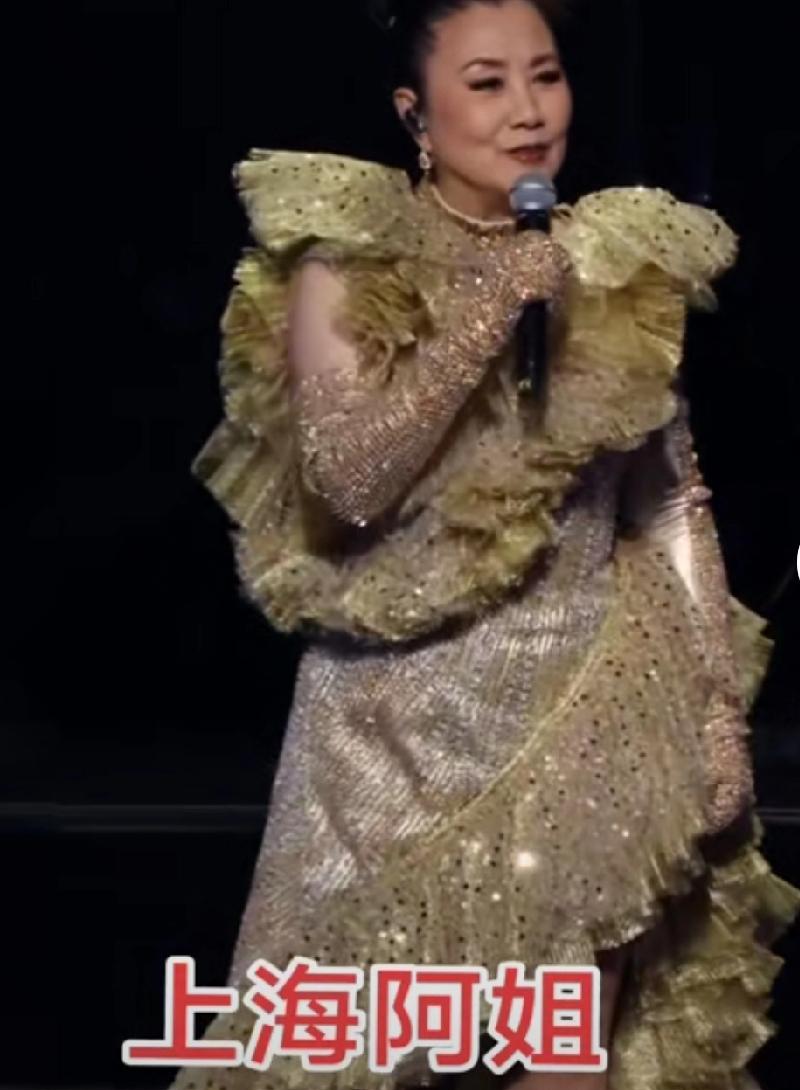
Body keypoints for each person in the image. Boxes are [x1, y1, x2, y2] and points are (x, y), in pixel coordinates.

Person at [169, 2, 800, 1088]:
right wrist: (486, 311)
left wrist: (712, 714)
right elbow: (349, 482)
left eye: (544, 76)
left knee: (567, 1053)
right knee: (354, 1052)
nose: (527, 111)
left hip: (582, 712)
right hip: (385, 735)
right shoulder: (350, 264)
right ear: (415, 114)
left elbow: (670, 502)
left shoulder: (612, 263)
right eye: (487, 82)